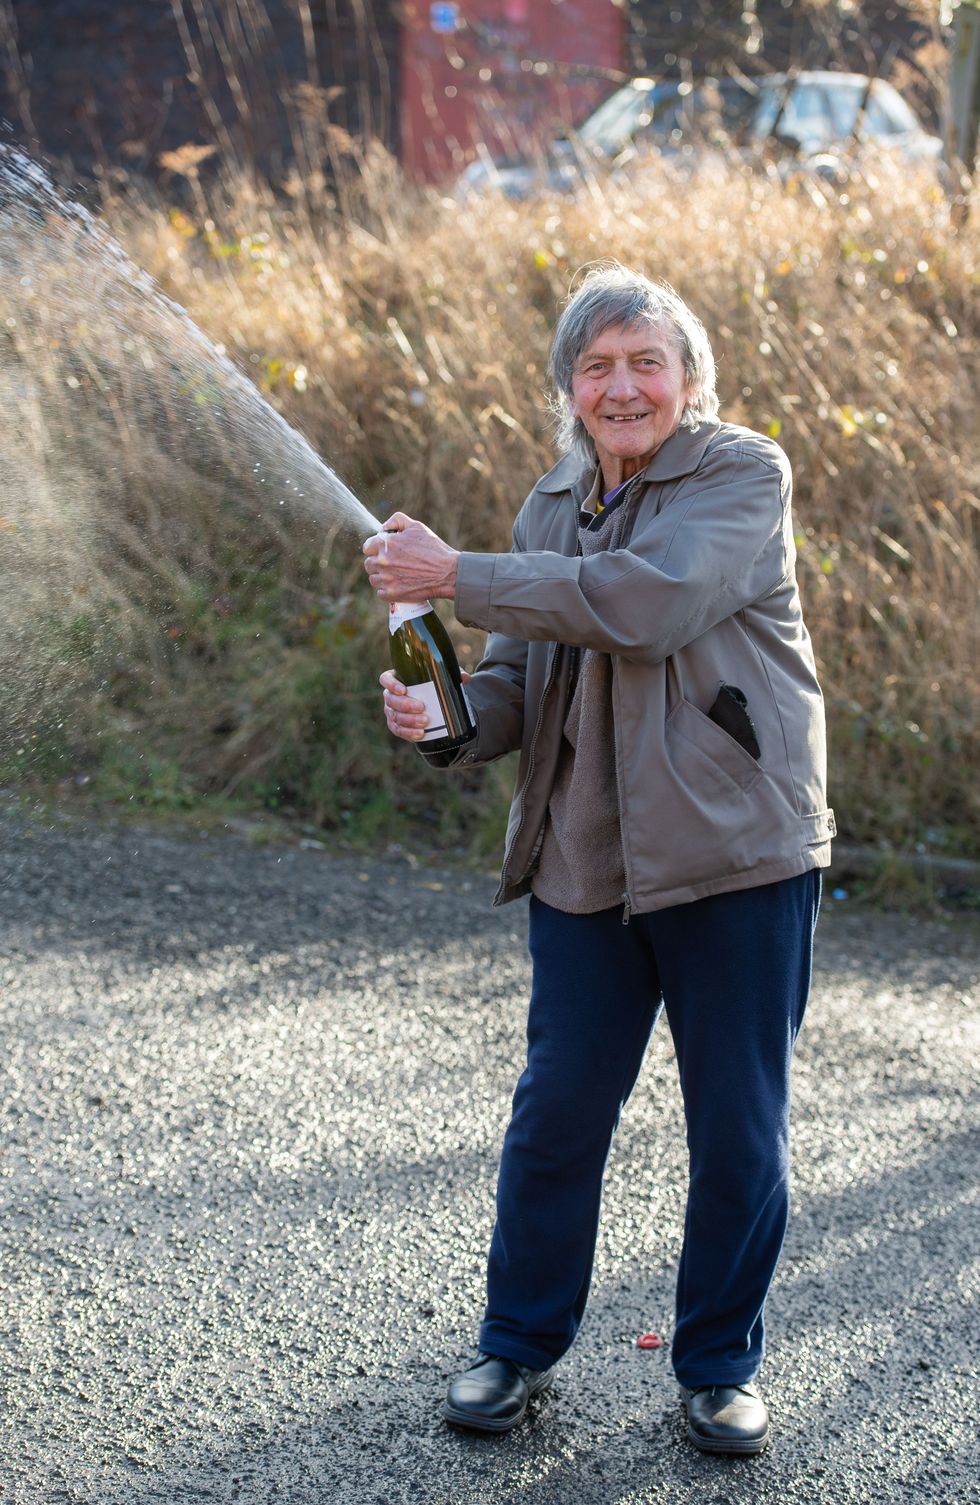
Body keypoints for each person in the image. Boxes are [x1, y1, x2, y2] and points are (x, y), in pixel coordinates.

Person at [362, 263, 834, 1456]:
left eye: (644, 362)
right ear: (567, 389)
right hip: (584, 859)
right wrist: (450, 714)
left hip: (736, 856)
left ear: (685, 377)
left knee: (738, 1125)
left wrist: (454, 575)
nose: (621, 386)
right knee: (558, 1110)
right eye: (595, 365)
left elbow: (644, 603)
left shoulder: (738, 475)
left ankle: (719, 1364)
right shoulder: (547, 505)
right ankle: (515, 1343)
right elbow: (523, 676)